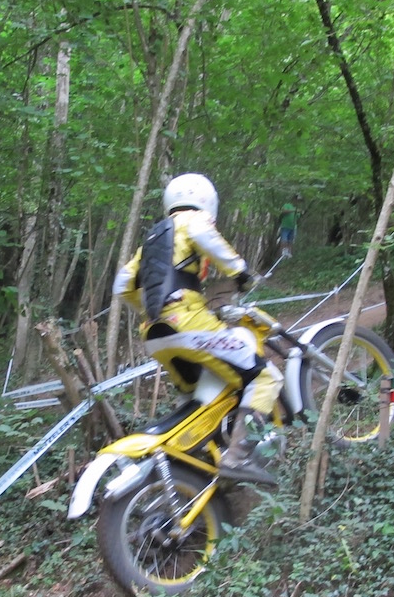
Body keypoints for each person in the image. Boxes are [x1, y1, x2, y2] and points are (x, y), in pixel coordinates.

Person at [114, 173, 283, 485]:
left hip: (154, 333)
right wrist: (240, 272)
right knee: (263, 376)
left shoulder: (152, 240)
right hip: (189, 323)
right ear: (207, 202)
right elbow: (208, 240)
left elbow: (123, 284)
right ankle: (238, 457)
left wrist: (152, 307)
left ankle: (200, 457)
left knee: (199, 396)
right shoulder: (192, 220)